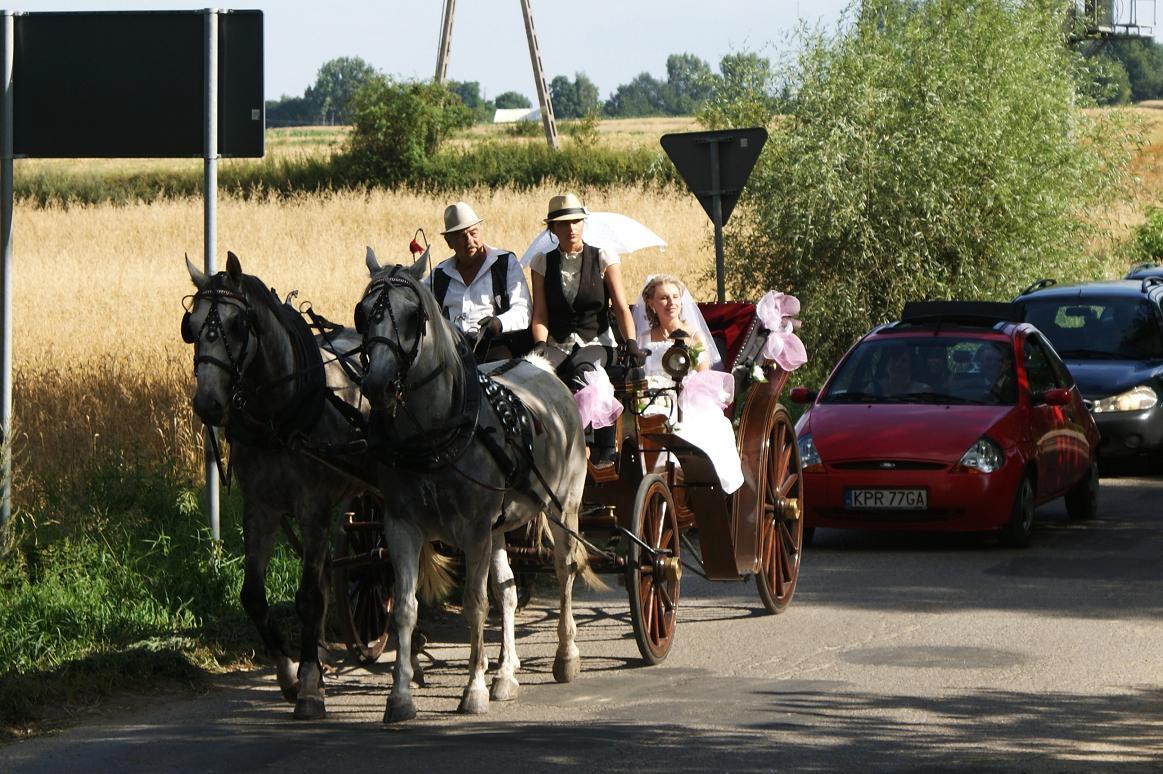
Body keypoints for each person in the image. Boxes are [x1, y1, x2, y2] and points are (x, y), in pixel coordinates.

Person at [529, 193, 637, 462]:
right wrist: (540, 343)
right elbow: (540, 313)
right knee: (532, 370)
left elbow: (622, 307)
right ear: (552, 228)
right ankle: (542, 445)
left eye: (576, 221)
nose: (571, 228)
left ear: (583, 224)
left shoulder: (602, 257)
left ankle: (601, 446)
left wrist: (632, 341)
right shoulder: (542, 263)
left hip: (598, 342)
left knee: (583, 368)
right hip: (558, 342)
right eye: (564, 224)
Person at [633, 274, 743, 493]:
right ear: (651, 303)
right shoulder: (643, 338)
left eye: (675, 297)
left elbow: (703, 376)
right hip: (650, 398)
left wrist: (682, 389)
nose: (671, 303)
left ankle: (677, 477)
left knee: (683, 426)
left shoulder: (693, 336)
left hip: (686, 398)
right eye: (663, 298)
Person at [426, 201, 532, 363]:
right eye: (461, 236)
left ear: (482, 231)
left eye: (473, 233)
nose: (469, 240)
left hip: (496, 347)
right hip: (451, 352)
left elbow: (523, 310)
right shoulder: (439, 275)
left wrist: (498, 323)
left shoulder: (504, 264)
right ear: (449, 242)